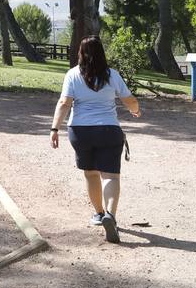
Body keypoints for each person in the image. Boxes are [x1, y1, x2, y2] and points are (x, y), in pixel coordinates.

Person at [50, 35, 141, 243]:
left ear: (81, 54)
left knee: (91, 174)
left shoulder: (72, 75)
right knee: (110, 176)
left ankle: (99, 214)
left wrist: (54, 128)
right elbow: (130, 100)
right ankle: (110, 215)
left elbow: (64, 103)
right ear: (101, 53)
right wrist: (135, 111)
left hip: (80, 131)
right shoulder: (112, 75)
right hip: (108, 130)